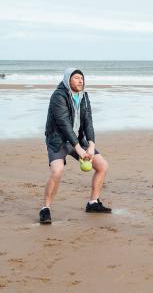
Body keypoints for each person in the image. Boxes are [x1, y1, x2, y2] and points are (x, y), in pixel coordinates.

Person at [40, 68, 111, 224]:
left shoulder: (84, 96)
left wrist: (91, 144)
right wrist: (79, 149)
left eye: (82, 78)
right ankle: (45, 209)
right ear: (68, 80)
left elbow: (88, 122)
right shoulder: (58, 96)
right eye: (76, 78)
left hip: (77, 140)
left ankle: (93, 203)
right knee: (57, 171)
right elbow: (64, 124)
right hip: (57, 140)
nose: (80, 81)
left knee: (102, 166)